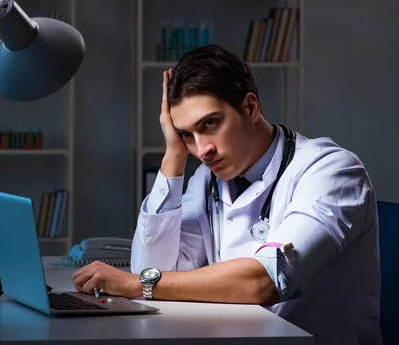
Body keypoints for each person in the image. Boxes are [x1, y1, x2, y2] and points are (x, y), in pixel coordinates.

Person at [71, 45, 381, 345]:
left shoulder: (332, 170)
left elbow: (266, 280)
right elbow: (152, 267)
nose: (202, 149)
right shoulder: (207, 179)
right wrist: (173, 155)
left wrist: (133, 283)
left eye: (210, 123)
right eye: (187, 135)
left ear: (250, 107)